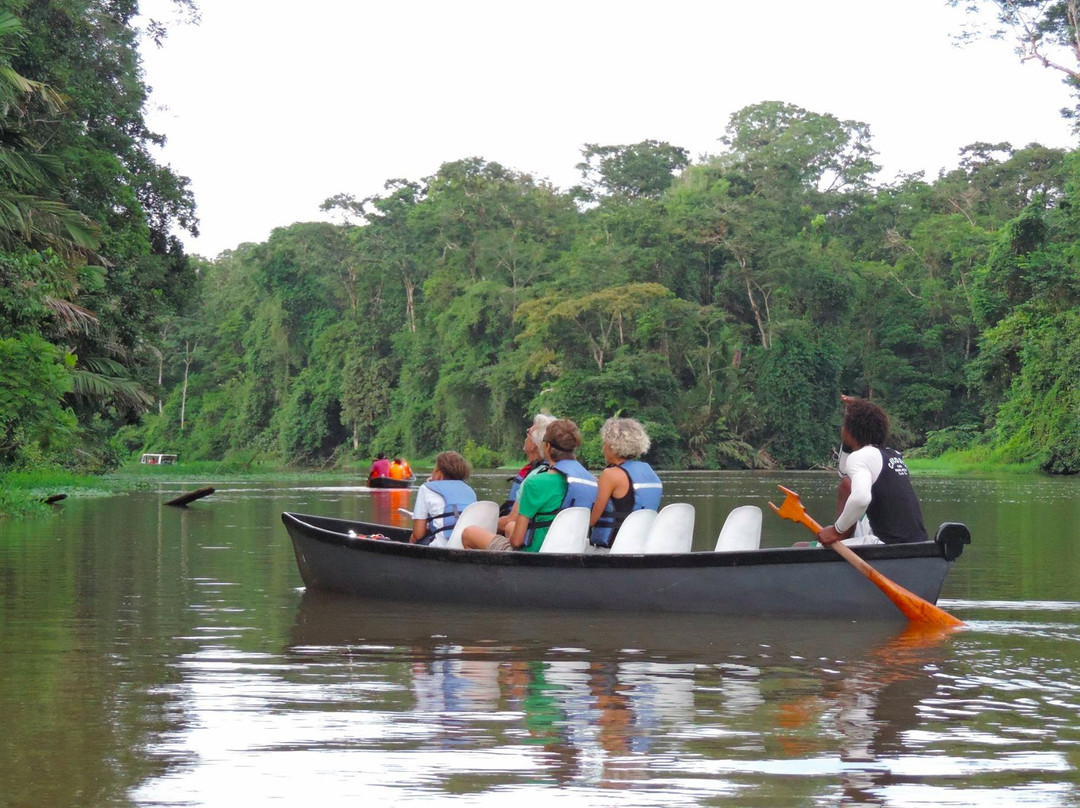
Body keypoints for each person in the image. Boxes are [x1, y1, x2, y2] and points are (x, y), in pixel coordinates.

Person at [463, 419, 597, 552]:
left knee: (469, 533)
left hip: (533, 555)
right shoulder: (592, 482)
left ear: (547, 447)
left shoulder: (535, 483)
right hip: (570, 552)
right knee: (510, 526)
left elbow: (516, 541)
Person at [816, 396, 928, 547]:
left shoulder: (861, 457)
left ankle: (840, 538)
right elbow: (845, 475)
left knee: (799, 547)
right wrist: (856, 409)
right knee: (847, 485)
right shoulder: (894, 455)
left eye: (844, 425)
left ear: (850, 431)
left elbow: (861, 498)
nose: (842, 430)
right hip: (917, 544)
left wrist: (836, 530)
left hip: (887, 546)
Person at [589, 417, 663, 548]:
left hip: (613, 549)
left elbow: (592, 520)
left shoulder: (610, 474)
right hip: (642, 546)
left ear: (613, 445)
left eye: (604, 443)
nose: (602, 449)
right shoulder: (651, 474)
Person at [411, 451, 477, 545]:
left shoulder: (426, 488)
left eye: (434, 469)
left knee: (413, 538)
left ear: (439, 473)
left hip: (442, 545)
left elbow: (418, 534)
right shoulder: (470, 490)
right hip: (467, 545)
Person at [499, 413, 557, 519]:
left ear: (534, 444)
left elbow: (512, 520)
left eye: (527, 434)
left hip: (520, 530)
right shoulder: (558, 470)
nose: (525, 438)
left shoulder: (533, 477)